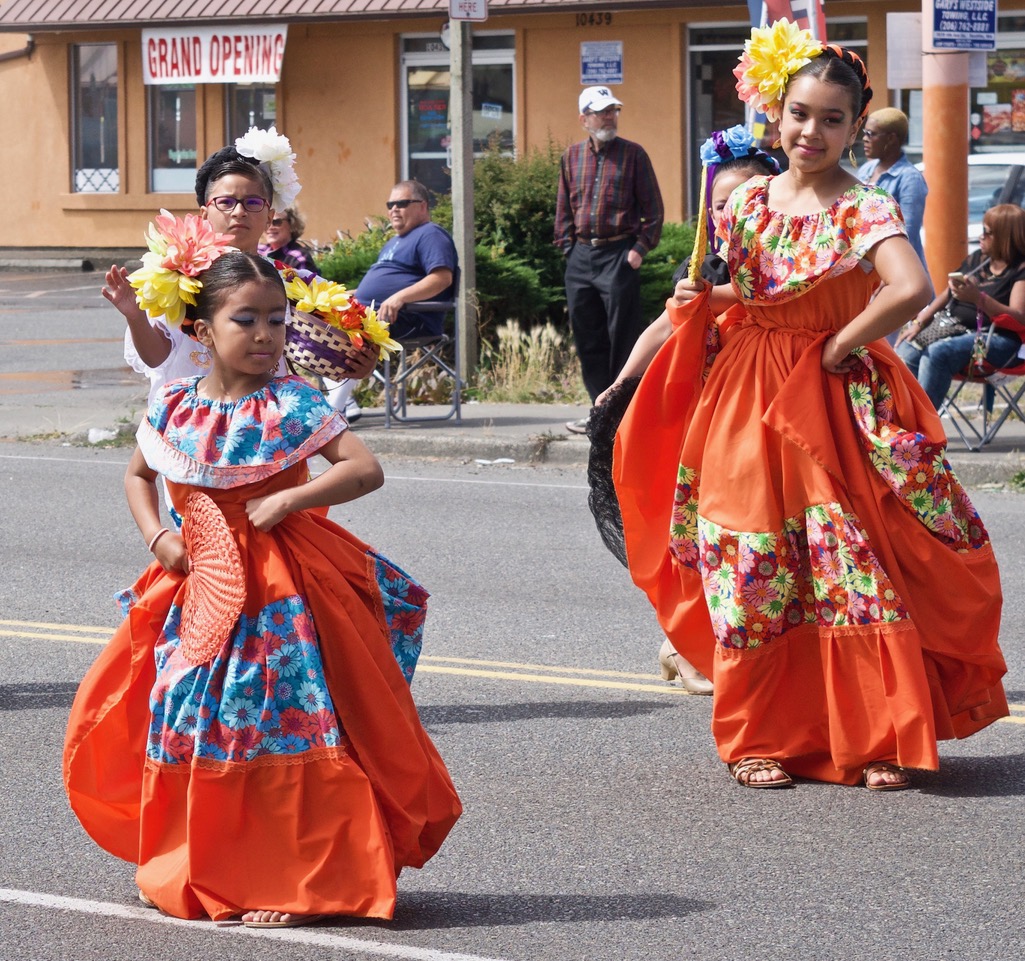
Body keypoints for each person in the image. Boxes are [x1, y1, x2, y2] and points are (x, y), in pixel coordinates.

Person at [612, 20, 1008, 790]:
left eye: (832, 119)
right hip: (745, 399)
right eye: (799, 113)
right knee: (753, 562)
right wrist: (702, 296)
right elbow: (751, 295)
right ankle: (758, 736)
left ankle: (879, 738)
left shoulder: (863, 208)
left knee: (847, 560)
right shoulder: (744, 203)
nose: (811, 131)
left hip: (831, 399)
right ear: (775, 113)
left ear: (855, 126)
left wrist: (835, 346)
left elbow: (910, 289)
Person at [63, 245, 461, 926]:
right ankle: (194, 856)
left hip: (280, 594)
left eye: (276, 321)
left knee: (278, 721)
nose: (264, 335)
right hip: (198, 588)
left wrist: (288, 503)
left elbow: (364, 469)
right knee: (192, 719)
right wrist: (160, 538)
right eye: (245, 320)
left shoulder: (292, 404)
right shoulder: (178, 407)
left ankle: (304, 882)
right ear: (201, 331)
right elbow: (136, 475)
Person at [590, 125, 780, 696]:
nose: (734, 212)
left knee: (759, 538)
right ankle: (681, 645)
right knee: (692, 535)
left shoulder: (786, 267)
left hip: (762, 410)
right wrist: (621, 382)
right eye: (722, 203)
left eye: (750, 199)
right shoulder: (704, 268)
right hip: (701, 418)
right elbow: (664, 326)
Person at [103, 128, 376, 410]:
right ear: (204, 212)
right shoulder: (175, 278)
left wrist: (361, 361)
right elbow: (155, 357)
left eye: (253, 202)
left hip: (266, 424)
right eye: (226, 202)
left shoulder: (294, 282)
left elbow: (347, 335)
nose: (239, 212)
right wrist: (135, 316)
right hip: (188, 420)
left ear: (270, 215)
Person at [555, 85, 664, 433]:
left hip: (619, 254)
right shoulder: (571, 157)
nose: (609, 117)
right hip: (581, 255)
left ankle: (619, 410)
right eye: (602, 111)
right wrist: (568, 249)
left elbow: (654, 212)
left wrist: (638, 251)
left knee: (623, 335)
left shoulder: (634, 155)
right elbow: (562, 209)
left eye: (613, 110)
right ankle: (596, 409)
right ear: (583, 118)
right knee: (587, 336)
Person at [896, 203, 1025, 410]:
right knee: (907, 348)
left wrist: (978, 299)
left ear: (1005, 236)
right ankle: (903, 417)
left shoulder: (1020, 269)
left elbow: (1019, 317)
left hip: (999, 340)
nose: (981, 237)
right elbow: (947, 294)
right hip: (955, 328)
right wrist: (920, 322)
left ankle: (924, 426)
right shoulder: (978, 260)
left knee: (938, 352)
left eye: (987, 232)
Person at [354, 180, 457, 340]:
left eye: (402, 203)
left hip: (408, 318)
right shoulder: (393, 242)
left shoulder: (430, 234)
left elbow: (442, 278)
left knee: (332, 329)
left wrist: (399, 298)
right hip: (372, 315)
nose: (394, 209)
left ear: (422, 206)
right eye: (390, 205)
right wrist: (350, 295)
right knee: (318, 315)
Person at [856, 108, 929, 267]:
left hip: (900, 270)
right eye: (865, 132)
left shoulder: (910, 178)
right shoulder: (865, 170)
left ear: (891, 139)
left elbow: (907, 233)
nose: (864, 139)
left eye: (871, 134)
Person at [259, 205, 319, 272]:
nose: (270, 227)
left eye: (277, 222)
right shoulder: (257, 251)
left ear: (292, 224)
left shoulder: (299, 259)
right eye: (267, 222)